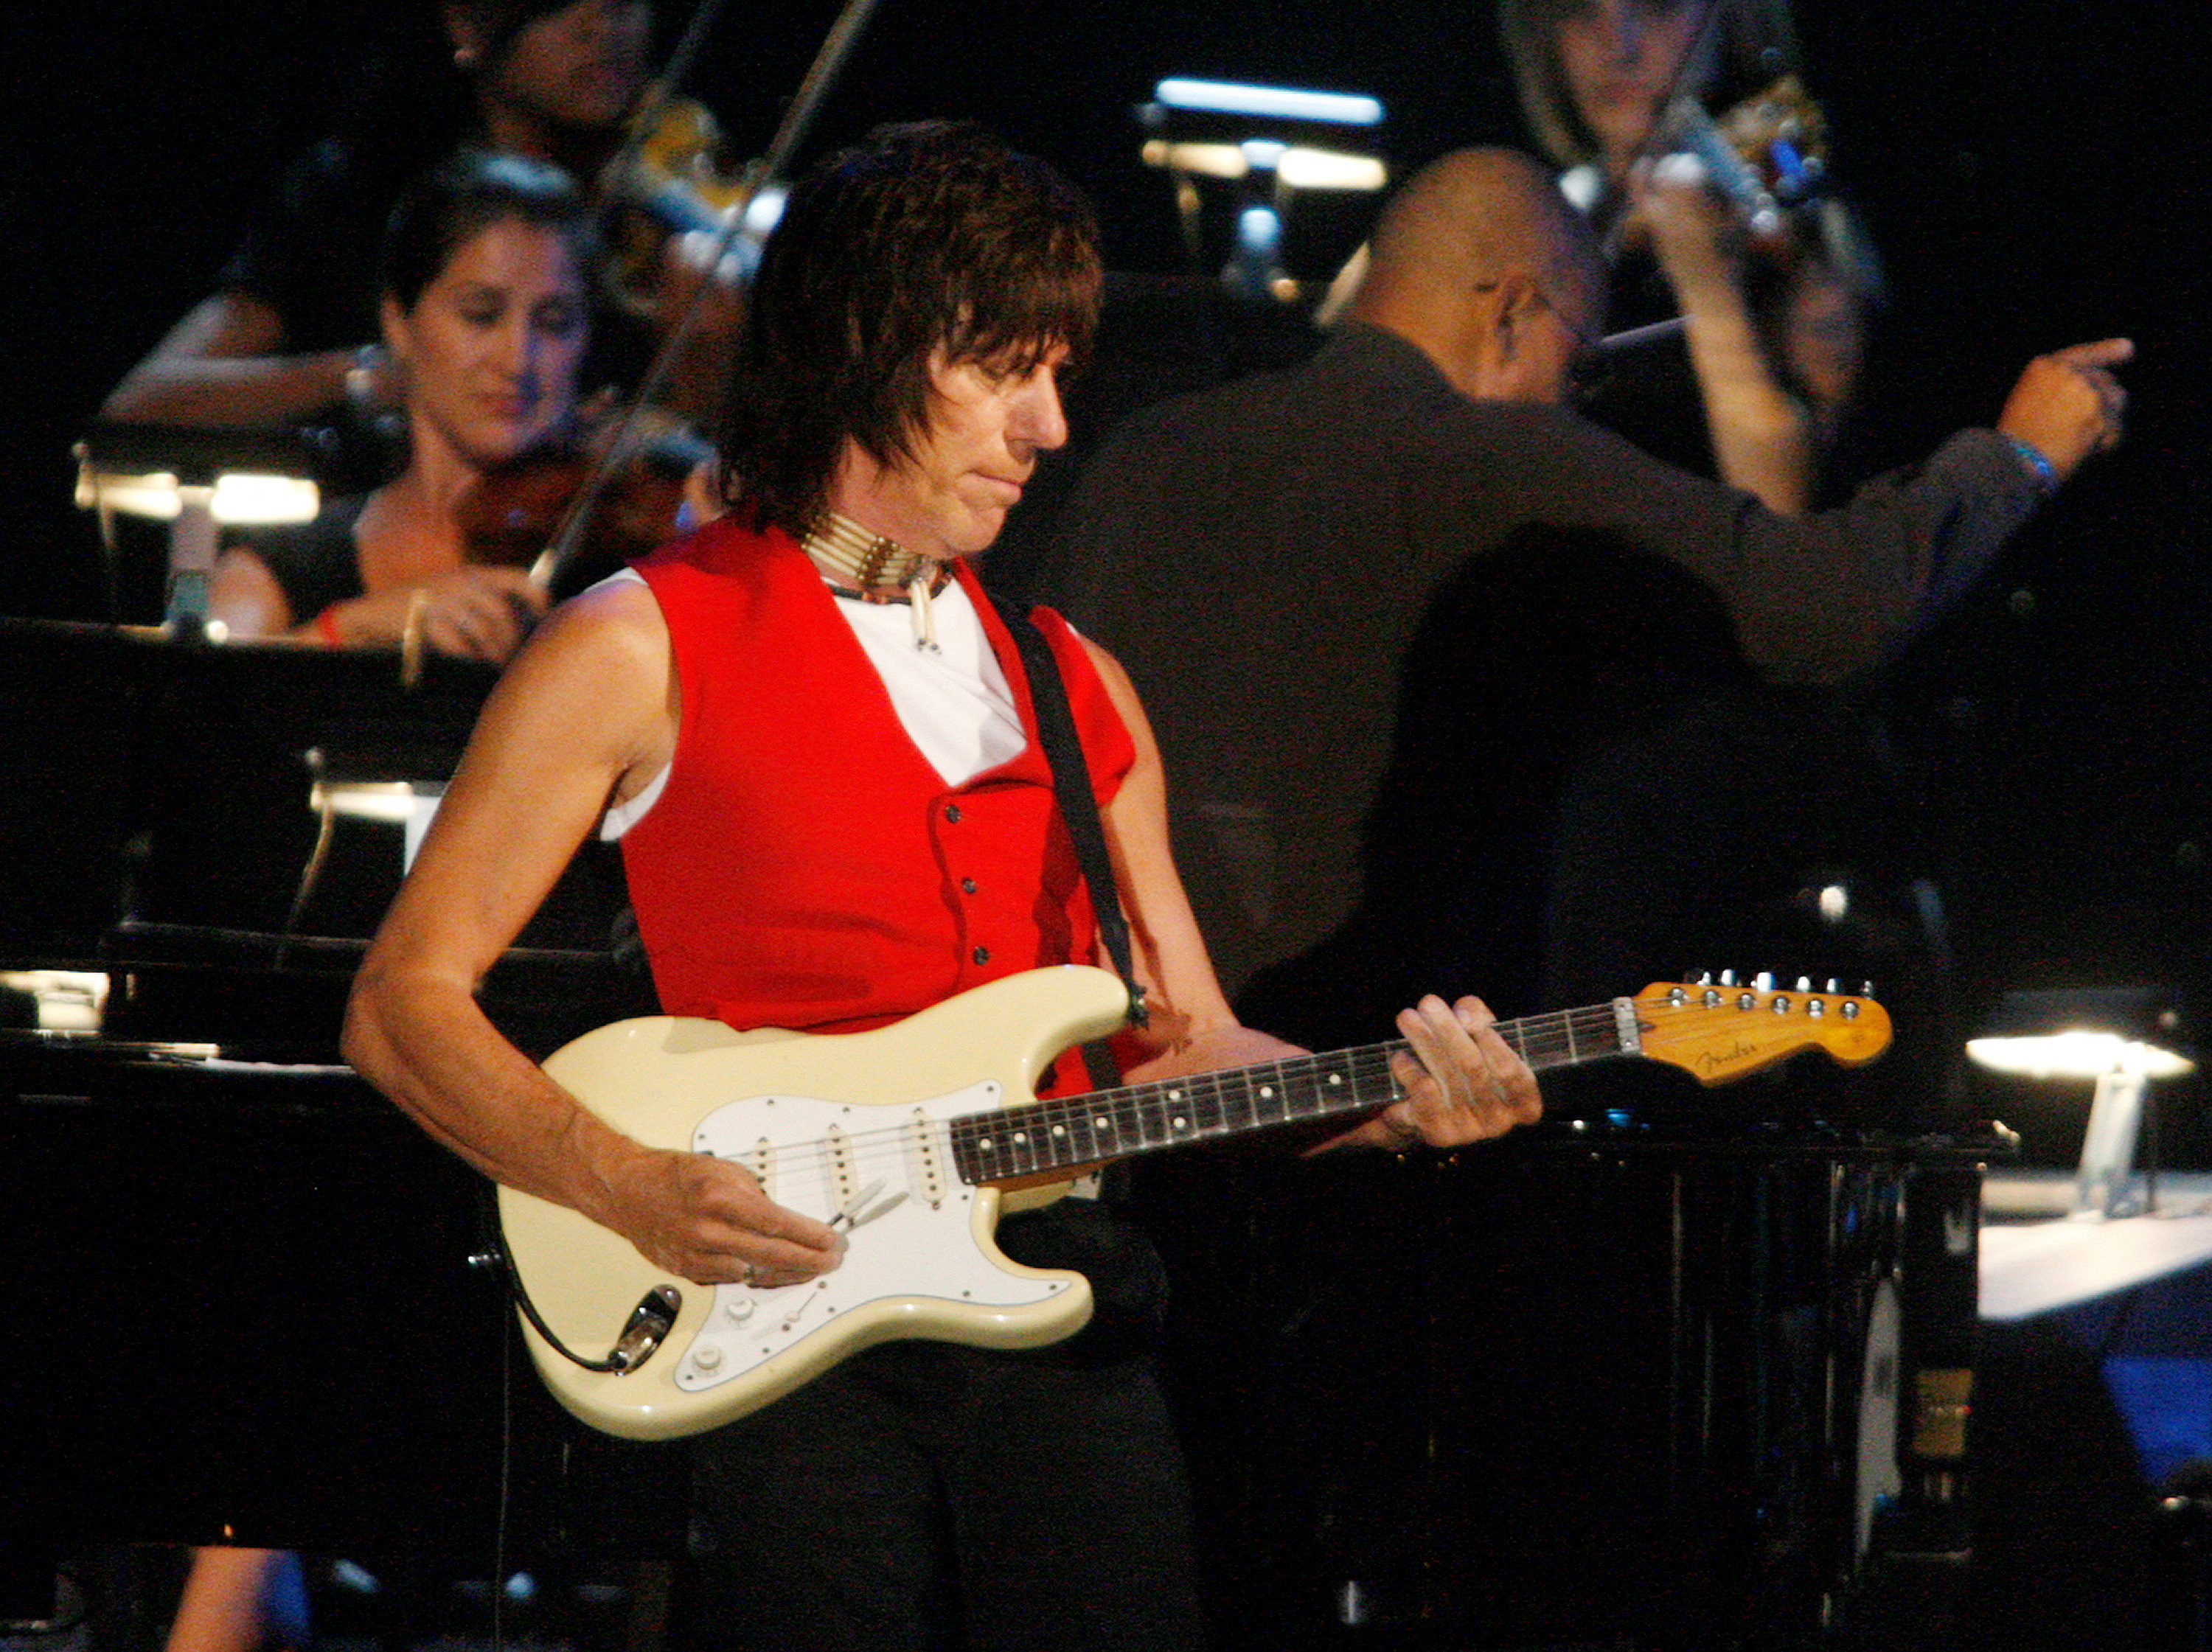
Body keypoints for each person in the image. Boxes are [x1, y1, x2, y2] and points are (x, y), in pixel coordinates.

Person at [339, 121, 1542, 1652]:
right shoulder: (643, 639)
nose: (1050, 425)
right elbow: (400, 1004)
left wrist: (1395, 1100)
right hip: (787, 1328)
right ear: (868, 348)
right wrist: (617, 1179)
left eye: (1059, 374)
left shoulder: (1074, 682)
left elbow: (1181, 1041)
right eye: (1005, 371)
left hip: (1059, 1302)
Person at [1041, 145, 2127, 1020]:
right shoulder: (1501, 461)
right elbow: (1822, 604)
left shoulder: (1143, 454)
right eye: (1581, 357)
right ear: (1512, 308)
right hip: (1396, 1094)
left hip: (1137, 1067)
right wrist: (2014, 459)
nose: (1574, 395)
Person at [102, 0, 735, 440]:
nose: (604, 21)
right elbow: (145, 400)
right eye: (557, 2)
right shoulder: (362, 187)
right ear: (466, 20)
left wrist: (710, 374)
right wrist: (373, 376)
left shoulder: (666, 198)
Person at [207, 150, 602, 663]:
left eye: (554, 322)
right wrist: (352, 627)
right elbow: (201, 711)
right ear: (398, 323)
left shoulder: (623, 560)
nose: (518, 359)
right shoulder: (283, 565)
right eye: (481, 315)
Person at [1495, 0, 1878, 512]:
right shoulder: (1544, 224)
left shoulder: (1801, 238)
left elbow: (1784, 518)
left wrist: (1709, 286)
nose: (1618, 46)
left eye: (1658, 7)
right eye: (1578, 8)